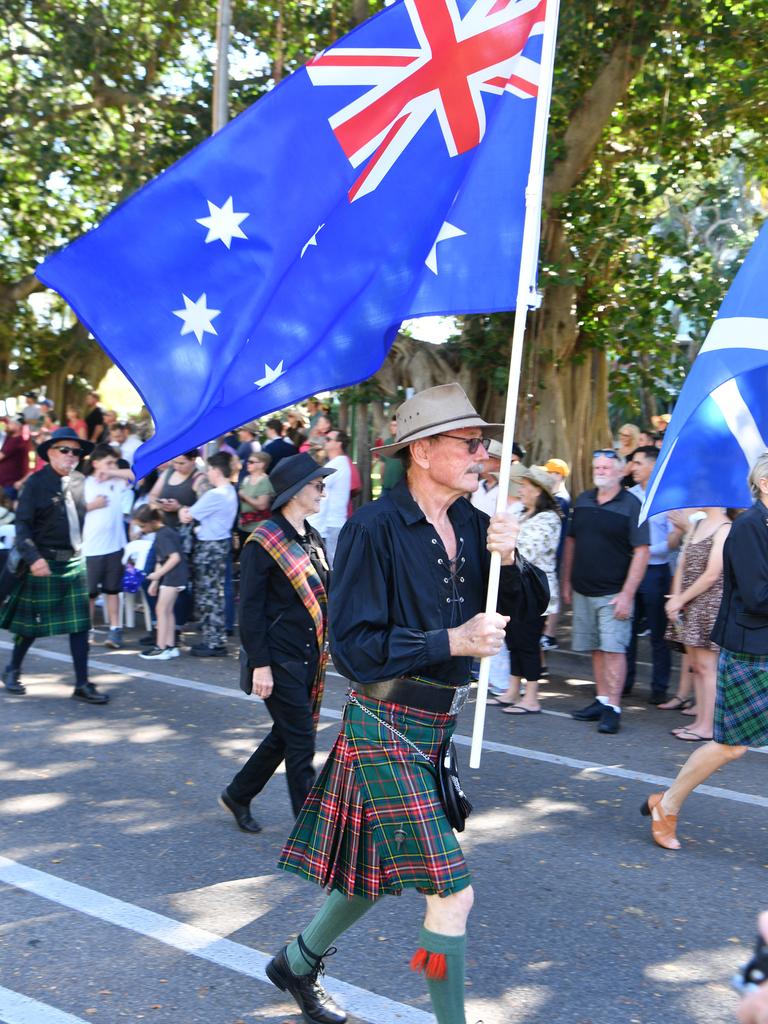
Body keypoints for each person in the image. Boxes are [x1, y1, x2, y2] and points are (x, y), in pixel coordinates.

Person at [266, 384, 532, 1024]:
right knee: (452, 896)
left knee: (373, 871)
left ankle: (296, 963)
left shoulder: (475, 522)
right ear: (421, 450)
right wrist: (452, 639)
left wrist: (512, 558)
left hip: (434, 726)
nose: (482, 454)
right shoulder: (371, 528)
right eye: (469, 443)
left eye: (483, 443)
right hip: (384, 722)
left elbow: (526, 611)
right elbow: (354, 648)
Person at [642, 454, 768, 850]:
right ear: (765, 484)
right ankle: (668, 803)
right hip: (752, 650)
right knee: (730, 745)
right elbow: (757, 596)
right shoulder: (748, 527)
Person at [221, 453, 335, 832]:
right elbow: (249, 611)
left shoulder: (312, 538)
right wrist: (261, 664)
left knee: (285, 735)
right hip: (279, 659)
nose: (323, 491)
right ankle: (312, 830)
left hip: (309, 657)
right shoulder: (263, 542)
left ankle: (239, 793)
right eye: (318, 485)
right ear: (295, 492)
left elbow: (327, 593)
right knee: (301, 742)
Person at [0, 427, 109, 703]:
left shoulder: (80, 481)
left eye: (76, 452)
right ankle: (13, 669)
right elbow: (22, 527)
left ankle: (82, 684)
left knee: (80, 625)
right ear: (49, 453)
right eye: (65, 450)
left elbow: (74, 516)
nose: (71, 456)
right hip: (42, 561)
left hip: (72, 561)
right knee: (31, 625)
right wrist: (34, 558)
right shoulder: (35, 484)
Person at [562, 450, 650, 734]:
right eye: (596, 466)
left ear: (620, 472)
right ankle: (601, 699)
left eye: (606, 467)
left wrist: (627, 594)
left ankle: (613, 706)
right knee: (596, 648)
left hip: (613, 593)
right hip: (583, 590)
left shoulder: (632, 504)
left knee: (614, 650)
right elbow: (572, 543)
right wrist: (566, 580)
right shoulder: (584, 499)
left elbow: (642, 552)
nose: (600, 470)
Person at [490, 465, 562, 715]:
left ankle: (531, 697)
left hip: (534, 592)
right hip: (512, 587)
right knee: (513, 640)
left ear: (539, 492)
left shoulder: (549, 519)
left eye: (526, 486)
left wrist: (504, 544)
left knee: (528, 643)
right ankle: (512, 690)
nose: (520, 489)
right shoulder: (521, 513)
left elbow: (527, 550)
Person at [664, 506, 731, 742]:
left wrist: (681, 598)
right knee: (697, 666)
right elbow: (682, 564)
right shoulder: (697, 524)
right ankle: (700, 721)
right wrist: (675, 598)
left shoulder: (725, 528)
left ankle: (709, 726)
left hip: (710, 604)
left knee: (707, 667)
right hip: (690, 603)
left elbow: (713, 574)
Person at [625, 445, 682, 703]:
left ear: (652, 465)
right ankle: (624, 683)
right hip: (629, 569)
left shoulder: (667, 496)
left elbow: (673, 539)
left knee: (658, 634)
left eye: (637, 462)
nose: (633, 467)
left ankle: (659, 689)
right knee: (626, 630)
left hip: (656, 572)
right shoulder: (628, 495)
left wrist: (644, 552)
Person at [179, 452, 238, 657]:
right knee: (214, 593)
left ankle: (213, 641)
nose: (207, 473)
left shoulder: (216, 494)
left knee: (208, 594)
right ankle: (215, 637)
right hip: (220, 543)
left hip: (209, 546)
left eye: (210, 469)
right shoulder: (230, 491)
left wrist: (182, 509)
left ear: (216, 470)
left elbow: (188, 515)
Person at [82, 444, 134, 649]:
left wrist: (111, 471)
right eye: (108, 462)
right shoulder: (83, 483)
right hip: (90, 548)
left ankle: (115, 630)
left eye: (114, 462)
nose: (112, 466)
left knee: (113, 591)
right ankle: (85, 630)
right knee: (90, 593)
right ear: (95, 463)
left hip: (115, 546)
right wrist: (91, 506)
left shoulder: (118, 481)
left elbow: (136, 474)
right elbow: (69, 511)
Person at [132, 505, 188, 660]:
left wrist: (157, 574)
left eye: (143, 526)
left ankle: (161, 647)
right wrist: (155, 581)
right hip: (172, 576)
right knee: (167, 611)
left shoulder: (163, 535)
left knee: (161, 610)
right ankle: (170, 646)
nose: (142, 529)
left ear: (153, 521)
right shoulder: (164, 533)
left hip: (173, 576)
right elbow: (160, 559)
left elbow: (174, 557)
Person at [540, 457, 571, 650]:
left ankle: (550, 634)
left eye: (549, 472)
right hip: (552, 550)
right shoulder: (555, 497)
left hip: (555, 551)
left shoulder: (560, 499)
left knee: (553, 593)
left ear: (558, 475)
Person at [312, 428, 351, 566]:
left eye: (328, 439)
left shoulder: (337, 464)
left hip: (331, 523)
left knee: (331, 565)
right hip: (330, 523)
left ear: (338, 444)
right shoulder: (339, 463)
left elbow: (316, 485)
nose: (325, 442)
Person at [237, 451, 274, 549]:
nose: (247, 464)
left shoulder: (265, 481)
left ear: (262, 464)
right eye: (248, 461)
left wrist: (244, 496)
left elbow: (262, 505)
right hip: (244, 525)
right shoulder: (246, 479)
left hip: (258, 528)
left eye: (251, 462)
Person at [469, 439, 503, 516]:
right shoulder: (477, 484)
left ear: (499, 462)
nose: (478, 460)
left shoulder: (505, 488)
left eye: (486, 458)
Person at [0, 417, 30, 499]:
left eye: (10, 424)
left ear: (18, 426)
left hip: (10, 484)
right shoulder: (11, 439)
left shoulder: (16, 441)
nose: (8, 426)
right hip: (7, 484)